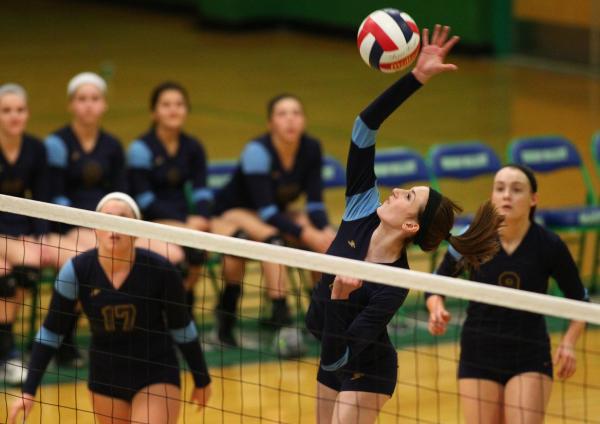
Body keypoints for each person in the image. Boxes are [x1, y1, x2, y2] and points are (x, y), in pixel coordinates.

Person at [304, 25, 503, 424]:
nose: (395, 192)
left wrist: (340, 299)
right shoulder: (360, 208)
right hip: (329, 354)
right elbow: (364, 127)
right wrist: (416, 78)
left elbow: (344, 353)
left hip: (367, 369)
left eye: (408, 197)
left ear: (411, 226)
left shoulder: (395, 282)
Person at [8, 192, 211, 424]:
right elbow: (51, 332)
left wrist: (201, 378)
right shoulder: (76, 270)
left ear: (136, 231)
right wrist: (29, 390)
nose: (113, 226)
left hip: (156, 373)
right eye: (107, 219)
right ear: (95, 228)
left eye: (122, 219)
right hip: (106, 377)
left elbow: (182, 328)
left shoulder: (160, 270)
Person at [426, 164, 588, 424]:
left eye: (516, 189)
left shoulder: (550, 246)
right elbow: (434, 287)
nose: (506, 195)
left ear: (533, 199)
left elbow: (580, 302)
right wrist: (436, 309)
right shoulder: (473, 239)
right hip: (478, 352)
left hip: (529, 355)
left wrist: (569, 342)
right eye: (499, 189)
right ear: (492, 196)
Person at [211, 92, 336, 347]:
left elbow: (314, 204)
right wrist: (308, 234)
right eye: (282, 114)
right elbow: (267, 211)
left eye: (296, 113)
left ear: (304, 121)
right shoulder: (257, 151)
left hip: (272, 212)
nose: (290, 120)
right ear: (270, 124)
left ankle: (322, 316)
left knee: (323, 239)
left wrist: (324, 231)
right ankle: (279, 318)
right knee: (274, 242)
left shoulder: (311, 148)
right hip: (235, 211)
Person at [44, 72, 130, 368]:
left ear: (104, 105)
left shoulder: (113, 146)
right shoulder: (57, 144)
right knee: (86, 266)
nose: (89, 106)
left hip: (105, 228)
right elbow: (51, 194)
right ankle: (64, 339)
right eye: (82, 99)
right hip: (66, 227)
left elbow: (120, 194)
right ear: (71, 105)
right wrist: (82, 220)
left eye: (95, 99)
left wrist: (108, 221)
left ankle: (123, 336)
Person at [127, 81, 209, 314]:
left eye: (179, 104)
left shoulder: (193, 147)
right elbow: (144, 200)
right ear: (154, 112)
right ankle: (171, 314)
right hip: (150, 221)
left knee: (198, 251)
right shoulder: (141, 149)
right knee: (186, 253)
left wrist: (202, 215)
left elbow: (202, 190)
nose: (174, 110)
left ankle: (184, 310)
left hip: (185, 222)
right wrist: (185, 220)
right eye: (166, 105)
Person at [0, 83, 52, 385]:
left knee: (25, 274)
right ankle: (7, 353)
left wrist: (40, 235)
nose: (14, 116)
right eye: (6, 111)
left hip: (19, 229)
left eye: (19, 110)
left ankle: (8, 350)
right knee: (3, 278)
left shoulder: (36, 149)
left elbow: (42, 198)